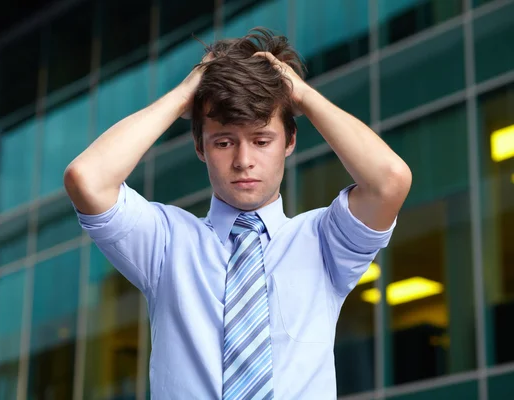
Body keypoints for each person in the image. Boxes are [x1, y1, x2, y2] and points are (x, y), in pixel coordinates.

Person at [64, 28, 411, 400]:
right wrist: (185, 95)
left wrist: (305, 97)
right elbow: (87, 179)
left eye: (262, 141)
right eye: (224, 142)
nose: (244, 161)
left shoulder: (324, 243)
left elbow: (389, 181)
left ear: (290, 141)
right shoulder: (166, 244)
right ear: (200, 147)